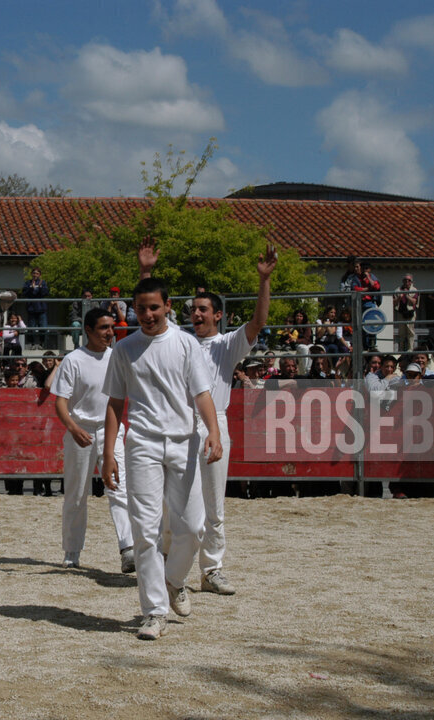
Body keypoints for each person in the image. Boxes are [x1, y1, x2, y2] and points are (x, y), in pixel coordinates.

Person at [100, 276, 223, 640]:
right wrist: (109, 452)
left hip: (184, 442)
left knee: (193, 527)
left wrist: (213, 432)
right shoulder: (125, 349)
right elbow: (115, 403)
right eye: (141, 309)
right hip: (143, 444)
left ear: (168, 306)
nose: (148, 314)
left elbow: (201, 393)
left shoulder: (186, 344)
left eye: (154, 307)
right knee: (146, 530)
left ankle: (174, 581)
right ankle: (154, 611)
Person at [158, 242, 277, 596]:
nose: (196, 314)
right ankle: (166, 563)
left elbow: (259, 321)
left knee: (214, 502)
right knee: (170, 501)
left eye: (203, 310)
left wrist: (264, 280)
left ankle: (211, 569)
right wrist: (147, 273)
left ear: (218, 315)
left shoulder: (228, 345)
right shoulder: (179, 340)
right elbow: (152, 316)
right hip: (179, 425)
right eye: (193, 309)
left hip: (214, 425)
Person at [50, 307, 134, 569]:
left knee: (119, 487)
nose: (110, 333)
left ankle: (128, 548)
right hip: (81, 431)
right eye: (103, 328)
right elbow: (60, 402)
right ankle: (72, 552)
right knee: (76, 495)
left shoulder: (117, 357)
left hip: (112, 430)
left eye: (111, 327)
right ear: (88, 330)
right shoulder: (74, 360)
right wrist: (73, 428)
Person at [21, 267, 50, 349]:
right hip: (32, 308)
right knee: (31, 328)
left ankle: (42, 343)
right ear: (31, 274)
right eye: (34, 273)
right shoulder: (28, 283)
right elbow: (25, 293)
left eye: (37, 273)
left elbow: (45, 293)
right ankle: (32, 344)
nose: (35, 275)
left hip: (41, 308)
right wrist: (31, 288)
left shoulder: (43, 283)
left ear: (40, 275)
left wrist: (39, 288)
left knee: (43, 327)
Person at [392, 274, 419, 352]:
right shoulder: (397, 290)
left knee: (410, 332)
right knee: (401, 332)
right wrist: (399, 298)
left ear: (411, 282)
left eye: (409, 280)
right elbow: (393, 303)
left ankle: (410, 349)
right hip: (401, 313)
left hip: (410, 313)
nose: (407, 282)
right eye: (405, 280)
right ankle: (401, 349)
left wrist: (407, 295)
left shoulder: (414, 290)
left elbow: (414, 301)